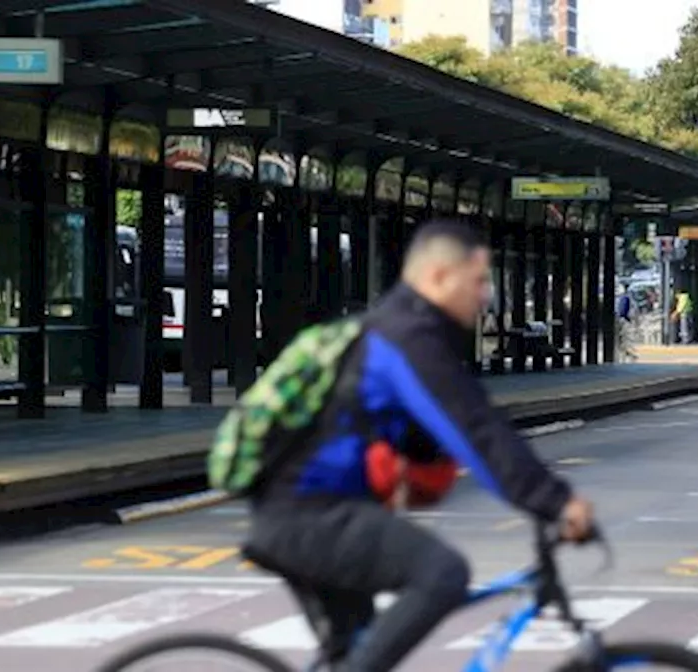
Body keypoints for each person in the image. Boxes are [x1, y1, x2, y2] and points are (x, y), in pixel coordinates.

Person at [242, 220, 596, 672]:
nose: (485, 294)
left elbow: (449, 435)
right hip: (308, 515)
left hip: (308, 511)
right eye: (478, 279)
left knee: (354, 650)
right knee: (442, 574)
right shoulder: (406, 339)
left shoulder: (397, 331)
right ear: (438, 277)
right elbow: (475, 431)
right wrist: (555, 502)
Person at [615, 284, 636, 361]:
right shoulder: (625, 298)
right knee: (625, 337)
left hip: (621, 320)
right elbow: (623, 311)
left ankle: (625, 352)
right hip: (624, 320)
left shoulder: (622, 298)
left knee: (622, 337)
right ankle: (627, 353)